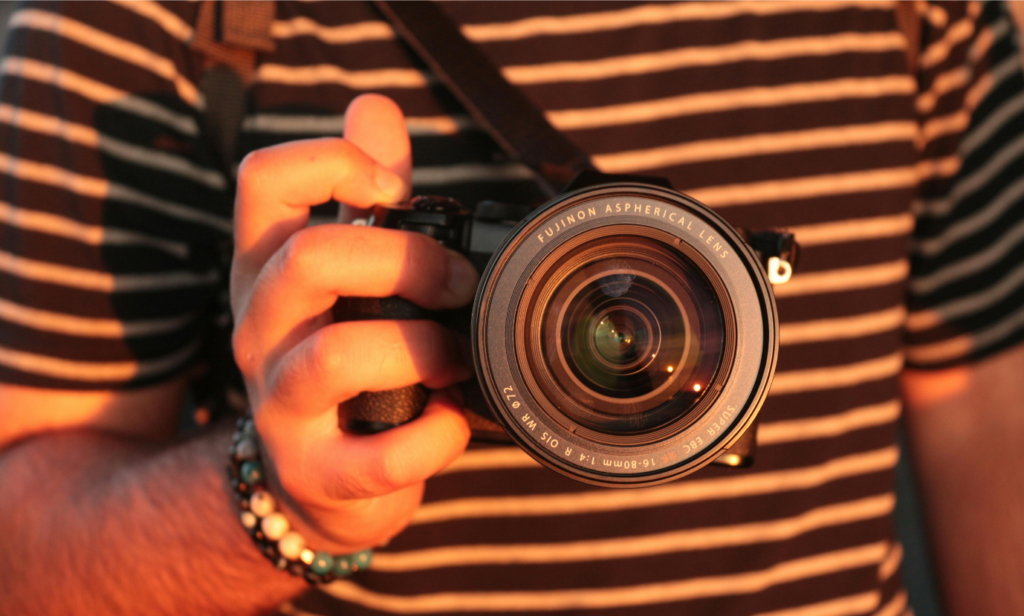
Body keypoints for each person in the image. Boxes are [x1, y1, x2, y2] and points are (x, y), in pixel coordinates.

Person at [1, 1, 1022, 615]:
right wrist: (276, 503)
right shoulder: (147, 22)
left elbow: (994, 430)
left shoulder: (918, 12)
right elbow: (26, 563)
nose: (613, 337)